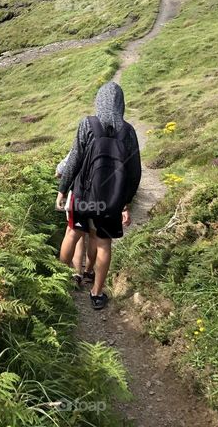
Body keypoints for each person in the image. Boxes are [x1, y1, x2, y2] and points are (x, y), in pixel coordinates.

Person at [57, 82, 142, 310]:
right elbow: (135, 173)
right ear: (121, 104)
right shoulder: (128, 131)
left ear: (98, 101)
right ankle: (96, 293)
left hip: (83, 195)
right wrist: (126, 203)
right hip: (112, 200)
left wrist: (63, 190)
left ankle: (57, 284)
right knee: (104, 244)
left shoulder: (88, 124)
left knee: (72, 233)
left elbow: (74, 160)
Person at [55, 155, 96, 288]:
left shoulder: (85, 134)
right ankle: (89, 272)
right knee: (95, 235)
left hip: (80, 193)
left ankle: (74, 274)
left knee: (75, 233)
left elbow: (65, 166)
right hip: (103, 194)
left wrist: (62, 189)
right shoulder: (119, 137)